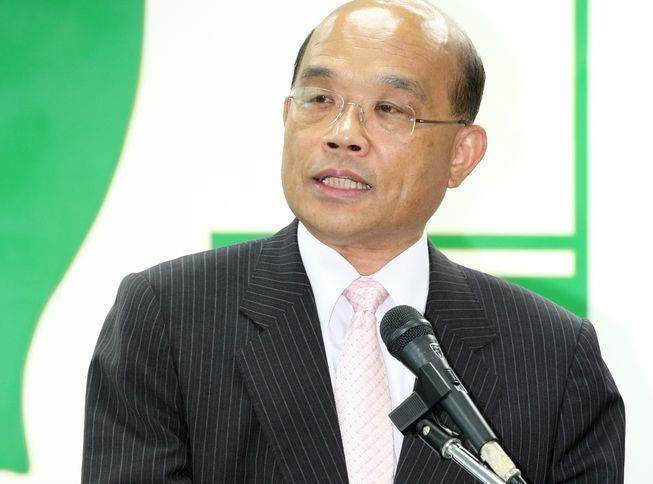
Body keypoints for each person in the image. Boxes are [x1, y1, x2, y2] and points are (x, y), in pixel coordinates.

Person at [82, 0, 625, 482]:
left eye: (390, 110)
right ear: (288, 117)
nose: (343, 134)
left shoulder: (554, 356)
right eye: (320, 99)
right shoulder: (169, 316)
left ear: (462, 154)